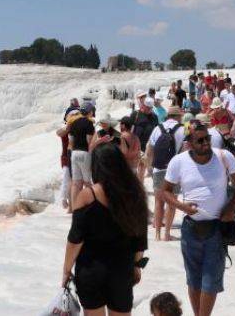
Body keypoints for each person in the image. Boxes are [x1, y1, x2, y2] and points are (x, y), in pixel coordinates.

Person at [158, 124, 235, 316]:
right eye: (200, 140)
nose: (205, 143)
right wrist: (182, 206)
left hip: (217, 228)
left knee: (210, 280)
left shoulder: (224, 157)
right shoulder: (178, 162)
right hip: (190, 229)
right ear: (189, 143)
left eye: (207, 138)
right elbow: (164, 191)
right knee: (194, 279)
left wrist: (231, 207)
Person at [61, 142, 149, 316]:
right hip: (122, 268)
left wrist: (66, 270)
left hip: (91, 270)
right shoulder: (135, 193)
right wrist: (137, 265)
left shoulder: (88, 195)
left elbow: (75, 239)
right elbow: (140, 238)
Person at [146, 107, 186, 241]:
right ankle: (167, 234)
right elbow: (185, 151)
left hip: (158, 169)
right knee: (171, 203)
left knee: (158, 202)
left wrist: (150, 168)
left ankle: (157, 233)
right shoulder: (182, 129)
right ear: (178, 117)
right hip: (174, 170)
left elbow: (149, 149)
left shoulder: (158, 128)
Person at [69, 112, 97, 206]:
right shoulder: (89, 123)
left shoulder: (74, 122)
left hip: (74, 153)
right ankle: (92, 204)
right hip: (84, 153)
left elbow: (71, 141)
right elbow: (89, 140)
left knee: (76, 183)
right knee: (87, 181)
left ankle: (75, 207)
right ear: (89, 112)